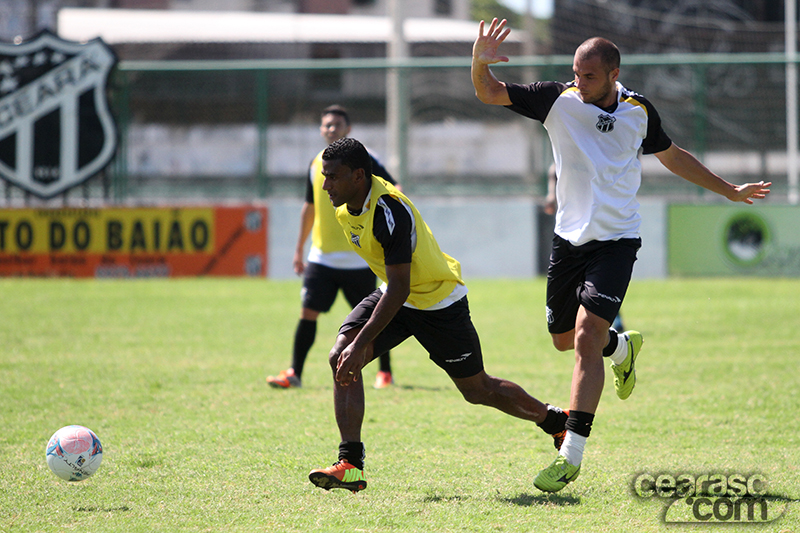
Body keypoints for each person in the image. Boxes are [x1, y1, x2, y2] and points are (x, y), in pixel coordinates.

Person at [472, 19, 771, 493]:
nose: (578, 81)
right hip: (568, 241)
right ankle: (623, 347)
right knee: (563, 339)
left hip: (617, 242)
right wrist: (479, 60)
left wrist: (728, 190)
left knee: (588, 339)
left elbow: (673, 156)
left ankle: (570, 454)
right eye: (575, 72)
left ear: (614, 74)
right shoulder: (558, 100)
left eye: (588, 75)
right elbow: (490, 93)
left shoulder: (638, 111)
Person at [307, 138, 569, 493]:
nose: (325, 186)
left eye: (332, 177)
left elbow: (401, 288)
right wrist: (355, 346)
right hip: (397, 294)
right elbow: (394, 287)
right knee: (341, 356)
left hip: (437, 302)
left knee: (477, 390)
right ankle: (351, 463)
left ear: (357, 176)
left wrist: (363, 343)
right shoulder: (344, 207)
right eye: (324, 177)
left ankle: (556, 420)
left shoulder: (389, 211)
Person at [267, 105, 396, 390]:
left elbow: (393, 189)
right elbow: (309, 207)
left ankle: (385, 373)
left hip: (359, 261)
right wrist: (299, 249)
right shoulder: (316, 164)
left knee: (375, 321)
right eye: (326, 125)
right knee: (307, 313)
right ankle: (295, 373)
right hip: (321, 258)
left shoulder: (367, 160)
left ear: (348, 129)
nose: (331, 129)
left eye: (337, 125)